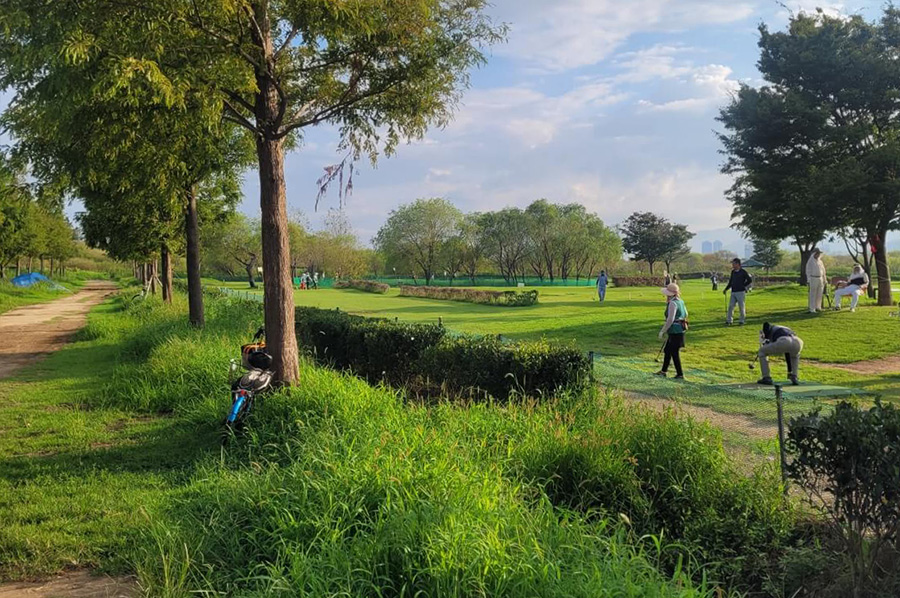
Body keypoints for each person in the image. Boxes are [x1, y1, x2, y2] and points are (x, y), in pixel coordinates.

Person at [655, 283, 688, 380]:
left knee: (674, 352)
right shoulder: (680, 301)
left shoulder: (672, 303)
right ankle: (663, 371)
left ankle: (680, 374)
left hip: (675, 331)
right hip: (680, 329)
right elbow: (686, 314)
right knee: (667, 350)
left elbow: (670, 319)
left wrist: (662, 331)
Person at [723, 258, 753, 326]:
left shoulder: (743, 272)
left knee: (741, 307)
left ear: (738, 264)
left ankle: (741, 320)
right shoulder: (733, 272)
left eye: (733, 263)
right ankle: (729, 320)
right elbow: (730, 282)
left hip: (740, 292)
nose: (732, 265)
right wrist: (726, 289)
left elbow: (749, 280)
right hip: (733, 292)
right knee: (731, 306)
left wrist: (743, 286)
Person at [805, 248, 826, 313]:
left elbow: (823, 271)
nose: (818, 255)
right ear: (814, 254)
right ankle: (812, 308)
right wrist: (808, 280)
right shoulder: (810, 261)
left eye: (819, 253)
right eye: (817, 253)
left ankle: (818, 307)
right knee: (813, 294)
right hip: (813, 278)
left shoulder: (820, 261)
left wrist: (824, 279)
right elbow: (808, 271)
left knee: (820, 293)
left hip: (820, 278)